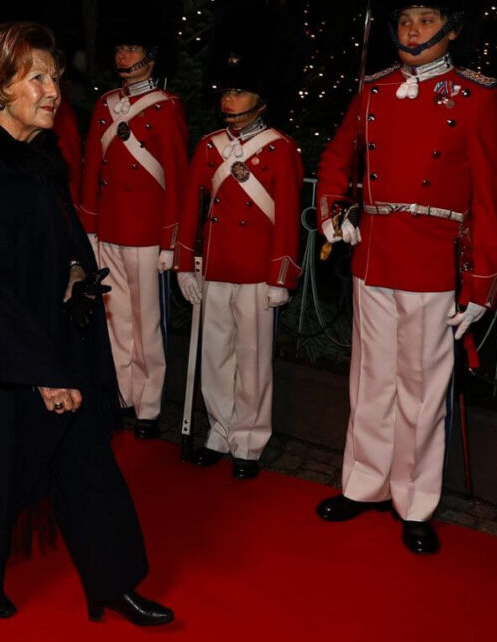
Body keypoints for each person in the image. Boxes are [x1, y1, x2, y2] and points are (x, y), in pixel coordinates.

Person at [0, 21, 173, 626]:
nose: (54, 90)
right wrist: (41, 371)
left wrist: (75, 277)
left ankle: (114, 582)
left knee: (86, 460)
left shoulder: (34, 163)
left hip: (48, 341)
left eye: (55, 77)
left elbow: (51, 249)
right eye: (38, 78)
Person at [314, 1, 497, 554]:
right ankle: (363, 484)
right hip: (374, 252)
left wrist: (482, 281)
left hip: (434, 258)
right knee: (369, 379)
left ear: (450, 30)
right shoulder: (373, 90)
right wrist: (335, 212)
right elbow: (335, 158)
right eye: (405, 21)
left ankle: (414, 502)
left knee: (422, 389)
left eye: (425, 20)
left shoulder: (476, 96)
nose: (412, 31)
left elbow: (489, 197)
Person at [176, 50, 302, 481]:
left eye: (240, 91)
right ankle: (219, 432)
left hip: (256, 272)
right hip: (214, 267)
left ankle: (249, 441)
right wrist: (181, 263)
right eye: (227, 91)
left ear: (262, 100)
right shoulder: (209, 145)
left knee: (251, 361)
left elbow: (286, 215)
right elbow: (190, 205)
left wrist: (281, 276)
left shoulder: (281, 148)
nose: (230, 100)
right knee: (215, 357)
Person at [80, 15, 188, 438]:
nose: (123, 56)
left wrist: (170, 241)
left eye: (132, 48)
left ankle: (148, 404)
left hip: (147, 233)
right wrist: (89, 227)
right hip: (109, 229)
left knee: (146, 324)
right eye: (119, 48)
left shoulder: (167, 107)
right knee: (115, 320)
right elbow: (92, 169)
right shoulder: (106, 102)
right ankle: (120, 394)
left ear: (151, 55)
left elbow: (176, 178)